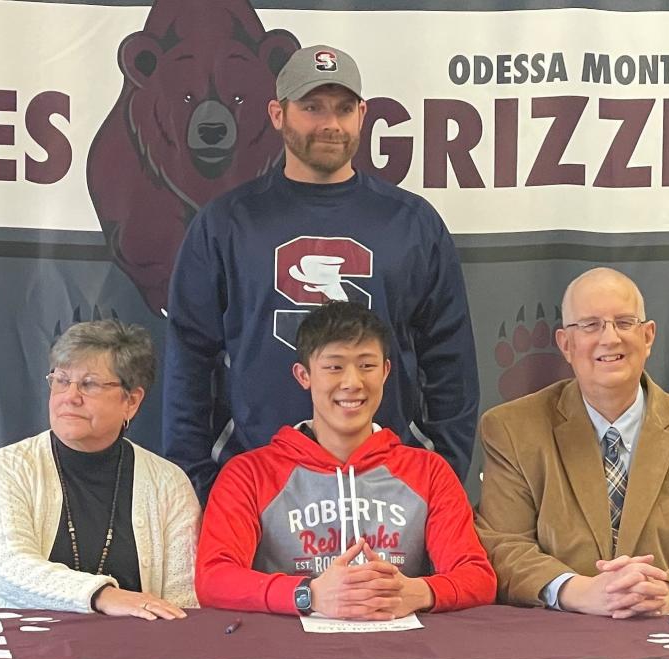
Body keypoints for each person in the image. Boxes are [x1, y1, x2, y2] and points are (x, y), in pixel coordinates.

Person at [164, 44, 479, 504]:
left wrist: (436, 481)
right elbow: (189, 363)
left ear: (362, 114)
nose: (330, 123)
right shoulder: (227, 223)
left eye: (344, 108)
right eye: (311, 107)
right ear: (277, 113)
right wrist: (201, 486)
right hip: (254, 487)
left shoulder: (411, 223)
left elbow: (451, 364)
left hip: (389, 488)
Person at [475, 268, 669, 617]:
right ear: (566, 344)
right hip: (555, 638)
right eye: (591, 325)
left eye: (624, 322)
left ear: (648, 336)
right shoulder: (512, 429)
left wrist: (668, 591)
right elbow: (501, 546)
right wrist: (577, 590)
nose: (609, 338)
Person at [195, 301, 495, 619]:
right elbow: (213, 578)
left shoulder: (430, 472)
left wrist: (417, 592)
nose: (352, 382)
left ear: (385, 372)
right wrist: (306, 595)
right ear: (304, 375)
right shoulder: (248, 474)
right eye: (334, 367)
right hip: (286, 656)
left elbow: (478, 576)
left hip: (401, 654)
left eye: (366, 365)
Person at [0, 320, 199, 619]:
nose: (70, 396)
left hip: (130, 653)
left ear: (131, 401)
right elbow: (8, 565)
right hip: (18, 649)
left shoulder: (168, 484)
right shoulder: (6, 468)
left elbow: (182, 604)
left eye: (89, 384)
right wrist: (102, 596)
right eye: (62, 380)